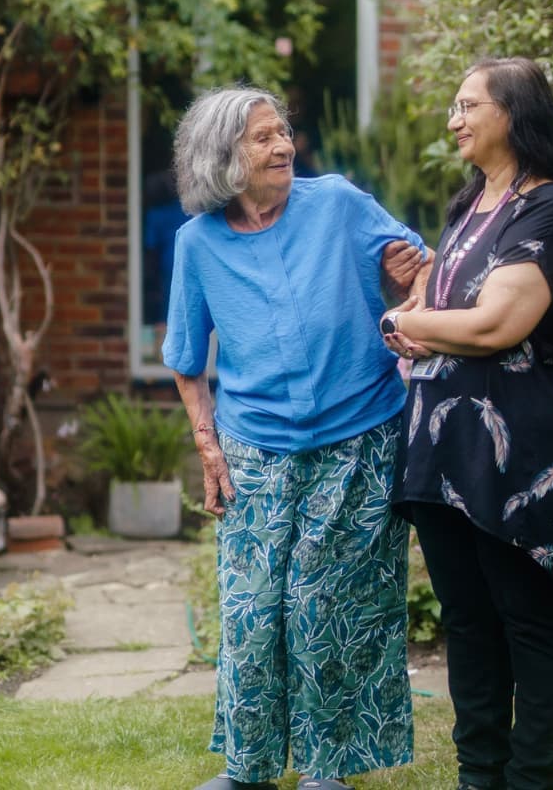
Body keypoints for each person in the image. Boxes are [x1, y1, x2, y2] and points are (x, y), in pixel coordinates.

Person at [163, 85, 428, 790]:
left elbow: (426, 270)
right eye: (263, 138)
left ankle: (325, 768)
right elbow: (188, 360)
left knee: (326, 606)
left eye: (283, 133)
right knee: (251, 611)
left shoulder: (337, 203)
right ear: (224, 156)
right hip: (253, 448)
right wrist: (208, 449)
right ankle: (246, 769)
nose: (283, 147)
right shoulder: (198, 244)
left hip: (357, 437)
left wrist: (402, 288)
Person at [382, 57, 553, 790]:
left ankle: (532, 778)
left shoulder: (552, 208)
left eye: (468, 105)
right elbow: (443, 307)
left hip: (525, 457)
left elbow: (496, 325)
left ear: (514, 113)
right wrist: (414, 311)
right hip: (446, 446)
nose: (454, 119)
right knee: (469, 620)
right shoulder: (469, 203)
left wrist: (410, 322)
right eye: (453, 105)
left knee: (531, 620)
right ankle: (479, 774)